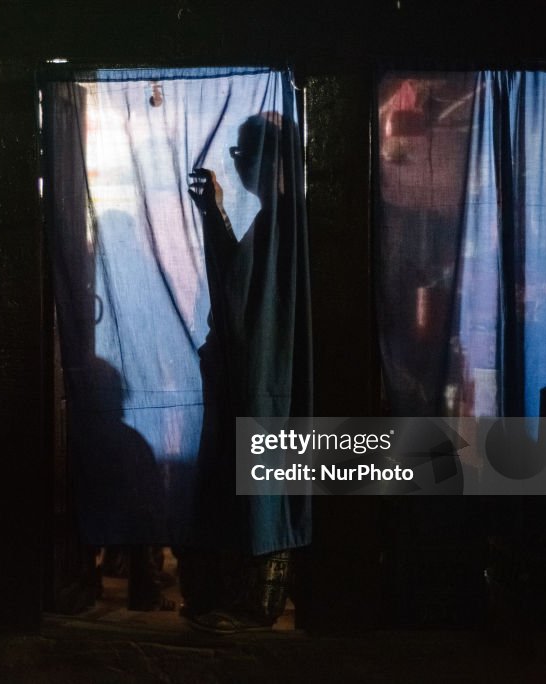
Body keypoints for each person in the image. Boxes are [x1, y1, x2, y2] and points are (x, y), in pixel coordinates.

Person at [181, 112, 311, 633]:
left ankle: (262, 601)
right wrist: (214, 215)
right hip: (261, 377)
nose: (238, 169)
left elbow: (249, 302)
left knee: (272, 480)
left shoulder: (290, 221)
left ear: (278, 160)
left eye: (244, 156)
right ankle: (254, 595)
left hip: (272, 380)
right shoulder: (277, 219)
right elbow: (242, 290)